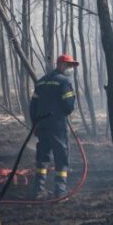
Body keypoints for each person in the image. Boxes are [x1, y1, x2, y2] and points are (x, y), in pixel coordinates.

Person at [29, 54, 78, 198]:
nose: (71, 69)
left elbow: (33, 106)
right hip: (57, 126)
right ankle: (60, 191)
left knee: (42, 158)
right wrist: (63, 112)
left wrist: (35, 123)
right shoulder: (64, 82)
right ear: (60, 65)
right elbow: (69, 106)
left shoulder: (41, 82)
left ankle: (38, 190)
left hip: (42, 126)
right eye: (69, 66)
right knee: (61, 158)